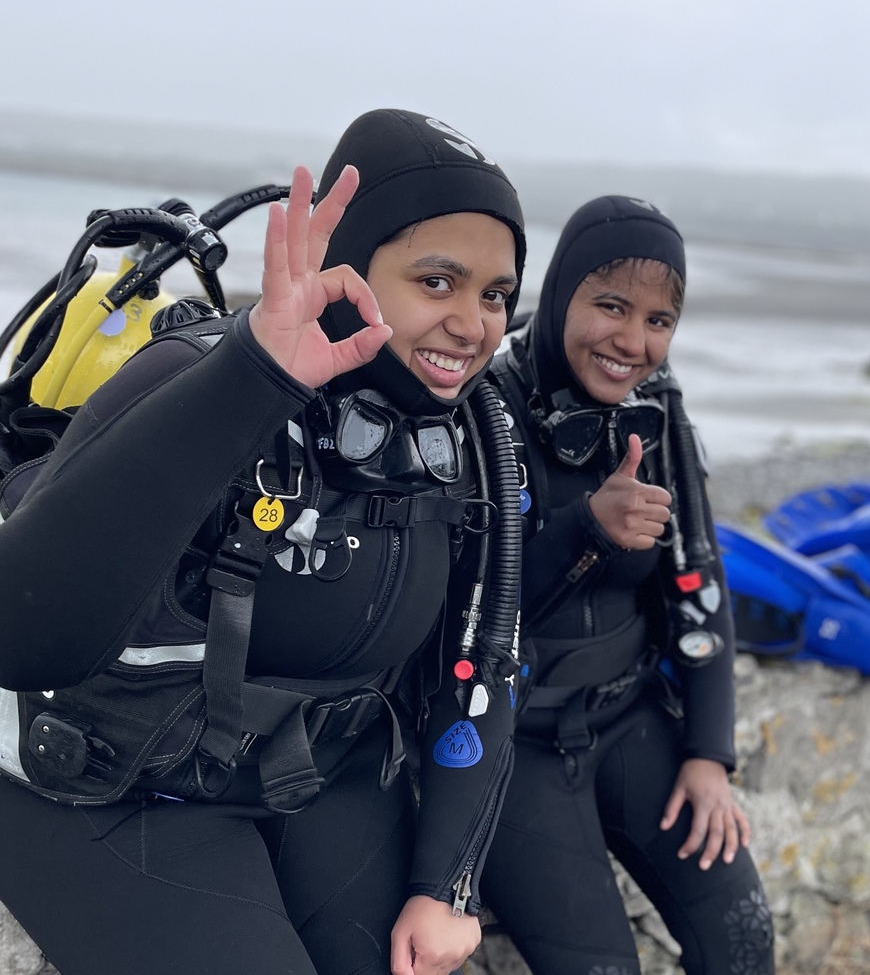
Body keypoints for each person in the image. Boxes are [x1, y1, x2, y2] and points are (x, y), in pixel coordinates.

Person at [0, 109, 526, 975]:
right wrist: (254, 376)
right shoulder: (197, 376)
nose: (473, 324)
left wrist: (448, 883)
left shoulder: (467, 442)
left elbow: (488, 651)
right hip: (111, 781)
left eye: (495, 293)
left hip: (316, 775)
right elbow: (22, 634)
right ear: (347, 267)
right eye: (438, 281)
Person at [482, 195, 776, 975]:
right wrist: (586, 528)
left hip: (631, 719)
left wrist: (710, 754)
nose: (633, 341)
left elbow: (699, 578)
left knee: (743, 941)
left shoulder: (656, 411)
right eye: (610, 306)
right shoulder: (486, 410)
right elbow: (464, 613)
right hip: (511, 750)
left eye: (658, 321)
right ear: (562, 291)